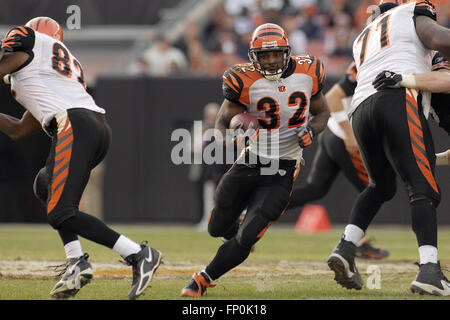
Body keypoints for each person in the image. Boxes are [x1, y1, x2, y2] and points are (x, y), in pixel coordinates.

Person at [0, 17, 162, 299]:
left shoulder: (29, 42)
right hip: (95, 127)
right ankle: (76, 262)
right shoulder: (52, 70)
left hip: (73, 125)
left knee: (60, 212)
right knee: (44, 185)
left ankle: (137, 253)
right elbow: (17, 129)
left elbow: (13, 52)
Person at [180, 23, 330, 297]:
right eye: (265, 56)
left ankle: (203, 279)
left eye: (276, 55)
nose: (271, 61)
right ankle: (236, 232)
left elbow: (322, 113)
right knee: (216, 228)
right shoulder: (242, 79)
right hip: (251, 160)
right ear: (253, 56)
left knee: (247, 237)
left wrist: (311, 130)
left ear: (288, 52)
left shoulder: (310, 71)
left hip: (284, 167)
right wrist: (232, 138)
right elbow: (223, 123)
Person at [326, 0, 450, 296]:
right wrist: (407, 78)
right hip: (398, 96)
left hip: (361, 110)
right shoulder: (409, 14)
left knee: (380, 186)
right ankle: (430, 270)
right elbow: (440, 43)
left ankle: (346, 246)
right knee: (423, 188)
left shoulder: (363, 40)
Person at [288, 62, 390, 260]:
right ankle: (356, 243)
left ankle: (261, 208)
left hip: (332, 132)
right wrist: (350, 135)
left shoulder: (377, 58)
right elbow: (333, 97)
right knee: (376, 190)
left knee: (315, 188)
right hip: (343, 135)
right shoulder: (373, 62)